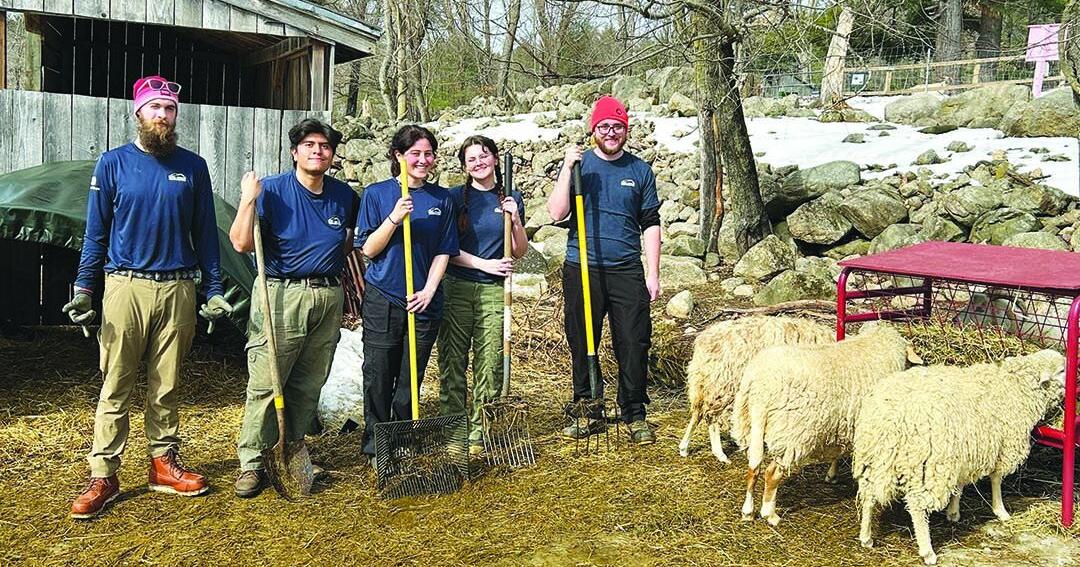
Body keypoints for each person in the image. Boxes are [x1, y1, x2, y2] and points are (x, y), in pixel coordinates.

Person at [64, 75, 232, 519]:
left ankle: (163, 464)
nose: (162, 115)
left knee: (167, 383)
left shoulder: (193, 167)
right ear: (138, 112)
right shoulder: (113, 163)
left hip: (178, 287)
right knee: (115, 382)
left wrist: (213, 289)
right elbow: (95, 233)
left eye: (170, 109)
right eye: (155, 107)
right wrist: (84, 289)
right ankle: (104, 474)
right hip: (125, 285)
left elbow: (206, 237)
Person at [227, 119, 359, 497]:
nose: (318, 151)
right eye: (310, 145)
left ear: (332, 154)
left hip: (328, 296)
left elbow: (346, 243)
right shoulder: (271, 191)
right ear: (294, 152)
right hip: (280, 295)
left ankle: (292, 448)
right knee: (268, 381)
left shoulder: (343, 196)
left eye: (325, 146)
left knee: (308, 381)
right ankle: (252, 462)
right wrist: (248, 197)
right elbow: (240, 242)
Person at [546, 95, 662, 445]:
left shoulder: (640, 170)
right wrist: (567, 168)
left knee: (633, 341)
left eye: (617, 126)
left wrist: (653, 273)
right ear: (593, 130)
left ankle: (634, 412)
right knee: (583, 341)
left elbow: (651, 223)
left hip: (626, 269)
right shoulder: (580, 168)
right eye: (604, 126)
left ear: (626, 130)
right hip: (582, 268)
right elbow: (555, 212)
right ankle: (588, 409)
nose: (611, 132)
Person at [355, 125, 459, 463]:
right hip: (384, 296)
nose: (422, 160)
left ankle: (400, 435)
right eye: (414, 153)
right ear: (398, 156)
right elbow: (368, 249)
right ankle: (376, 443)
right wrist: (394, 219)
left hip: (424, 300)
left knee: (410, 375)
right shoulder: (377, 194)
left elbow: (445, 249)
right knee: (379, 372)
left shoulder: (442, 199)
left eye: (428, 154)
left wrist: (430, 289)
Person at [437, 136, 527, 455]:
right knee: (453, 359)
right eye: (472, 159)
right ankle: (453, 427)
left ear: (495, 159)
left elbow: (519, 250)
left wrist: (515, 219)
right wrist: (485, 264)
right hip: (457, 286)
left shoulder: (510, 197)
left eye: (484, 155)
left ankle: (480, 427)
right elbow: (445, 250)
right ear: (464, 166)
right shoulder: (453, 199)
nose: (479, 162)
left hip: (493, 292)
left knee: (490, 361)